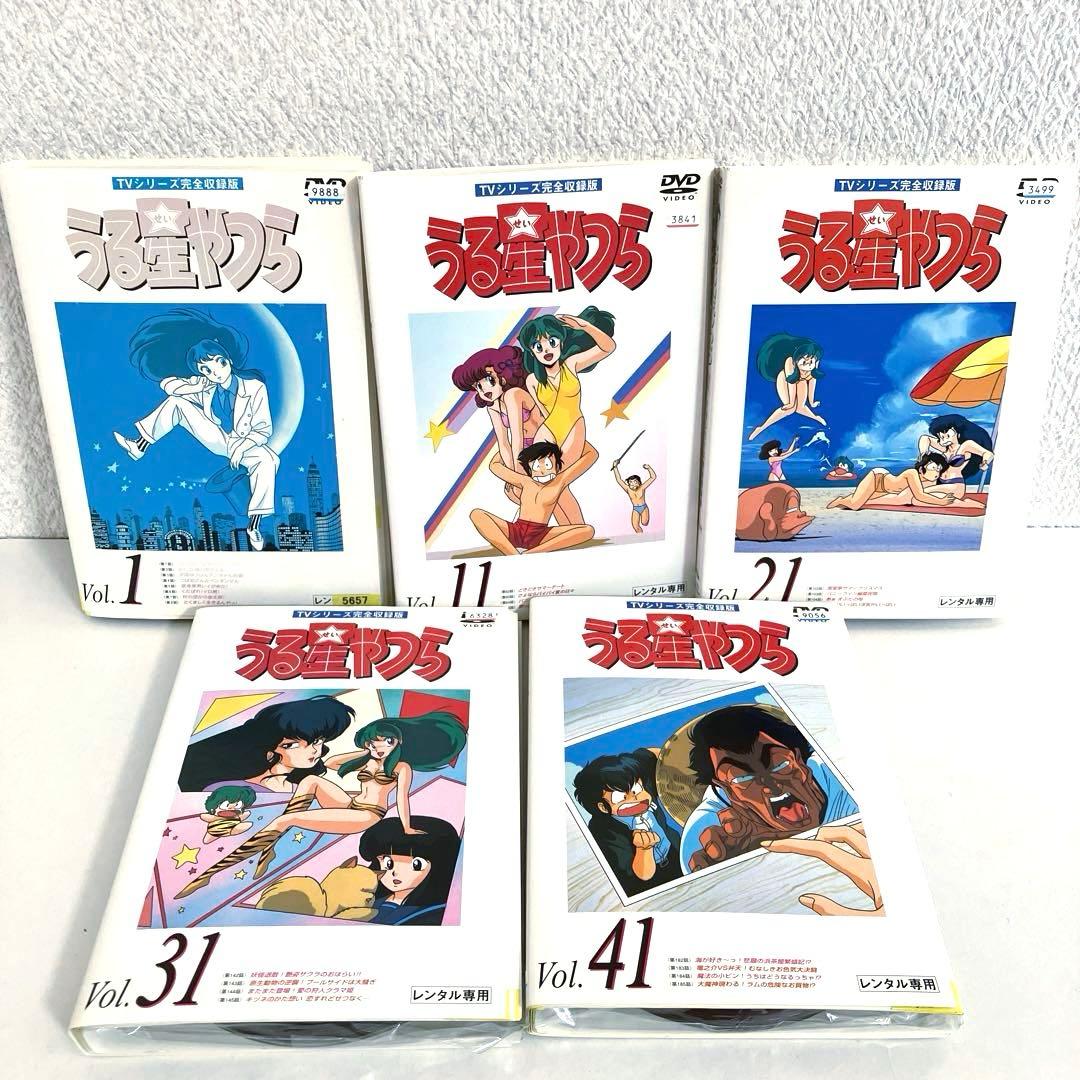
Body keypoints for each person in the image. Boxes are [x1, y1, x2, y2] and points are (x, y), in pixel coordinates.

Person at [175, 707, 466, 897]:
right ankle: (269, 849)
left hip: (367, 815)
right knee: (310, 781)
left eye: (387, 742)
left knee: (286, 818)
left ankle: (209, 875)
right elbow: (333, 762)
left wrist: (407, 827)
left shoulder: (401, 767)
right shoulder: (367, 759)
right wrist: (365, 753)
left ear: (398, 743)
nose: (380, 746)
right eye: (374, 741)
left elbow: (401, 800)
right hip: (350, 803)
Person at [111, 308, 278, 551]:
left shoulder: (254, 387)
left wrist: (242, 447)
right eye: (206, 370)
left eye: (218, 364)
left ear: (228, 359)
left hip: (246, 442)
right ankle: (139, 446)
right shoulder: (205, 385)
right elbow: (169, 386)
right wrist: (195, 386)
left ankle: (254, 525)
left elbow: (263, 429)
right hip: (218, 438)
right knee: (177, 403)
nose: (214, 372)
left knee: (268, 460)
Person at [680, 704, 858, 873]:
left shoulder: (842, 777)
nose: (770, 785)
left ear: (799, 761)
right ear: (727, 791)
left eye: (779, 764)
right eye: (743, 778)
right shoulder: (709, 827)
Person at [451, 345, 578, 524]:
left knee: (556, 489)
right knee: (538, 493)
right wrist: (513, 476)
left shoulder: (513, 394)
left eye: (489, 379)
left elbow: (516, 437)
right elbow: (503, 443)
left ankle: (577, 527)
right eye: (478, 386)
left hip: (548, 442)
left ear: (502, 374)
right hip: (528, 451)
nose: (484, 389)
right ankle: (570, 528)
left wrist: (519, 475)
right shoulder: (493, 407)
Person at [520, 307, 615, 503]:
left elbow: (608, 347)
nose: (546, 350)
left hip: (573, 425)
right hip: (548, 429)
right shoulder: (532, 381)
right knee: (537, 478)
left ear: (561, 343)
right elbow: (545, 412)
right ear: (532, 352)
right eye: (538, 346)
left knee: (557, 480)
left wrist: (584, 325)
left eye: (552, 342)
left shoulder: (571, 365)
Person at [572, 748, 683, 897]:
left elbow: (651, 754)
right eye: (622, 798)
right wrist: (643, 849)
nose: (636, 799)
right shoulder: (602, 831)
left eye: (636, 790)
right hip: (648, 884)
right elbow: (643, 875)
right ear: (602, 807)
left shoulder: (642, 783)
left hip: (676, 852)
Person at [470, 441, 597, 554]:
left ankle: (532, 553)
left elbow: (592, 454)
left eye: (547, 464)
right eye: (536, 466)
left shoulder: (560, 481)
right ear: (529, 469)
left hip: (541, 535)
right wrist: (513, 445)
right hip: (516, 530)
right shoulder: (525, 481)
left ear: (557, 466)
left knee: (588, 530)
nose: (542, 470)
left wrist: (570, 435)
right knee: (476, 514)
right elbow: (494, 465)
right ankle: (512, 554)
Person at [357, 815, 463, 925]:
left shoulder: (434, 913)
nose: (395, 872)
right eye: (388, 863)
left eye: (416, 865)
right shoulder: (368, 902)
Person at [826, 451, 982, 511]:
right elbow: (920, 496)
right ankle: (841, 499)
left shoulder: (929, 481)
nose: (936, 472)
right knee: (855, 505)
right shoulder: (912, 473)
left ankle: (847, 498)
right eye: (934, 468)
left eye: (939, 470)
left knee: (865, 500)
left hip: (886, 490)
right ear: (922, 468)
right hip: (877, 479)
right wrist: (941, 502)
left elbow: (919, 495)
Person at [747, 332, 826, 440]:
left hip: (801, 380)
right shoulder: (790, 362)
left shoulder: (813, 368)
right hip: (786, 379)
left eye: (812, 362)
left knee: (800, 407)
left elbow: (812, 384)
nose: (808, 365)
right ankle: (760, 428)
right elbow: (791, 383)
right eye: (804, 362)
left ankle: (816, 417)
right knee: (790, 409)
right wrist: (791, 402)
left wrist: (812, 402)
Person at [917, 413, 994, 495]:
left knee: (921, 492)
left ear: (958, 433)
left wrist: (985, 462)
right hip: (940, 482)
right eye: (941, 437)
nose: (944, 439)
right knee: (915, 490)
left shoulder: (966, 446)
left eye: (947, 436)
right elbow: (924, 438)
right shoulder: (945, 448)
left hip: (955, 485)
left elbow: (988, 453)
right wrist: (923, 454)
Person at [613, 462, 656, 532]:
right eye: (630, 482)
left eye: (635, 482)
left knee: (644, 523)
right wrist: (615, 467)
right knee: (636, 527)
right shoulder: (628, 489)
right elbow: (619, 480)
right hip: (635, 508)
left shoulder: (642, 487)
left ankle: (645, 523)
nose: (633, 484)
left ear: (639, 482)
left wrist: (649, 468)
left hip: (643, 507)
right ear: (628, 483)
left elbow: (653, 477)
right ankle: (641, 536)